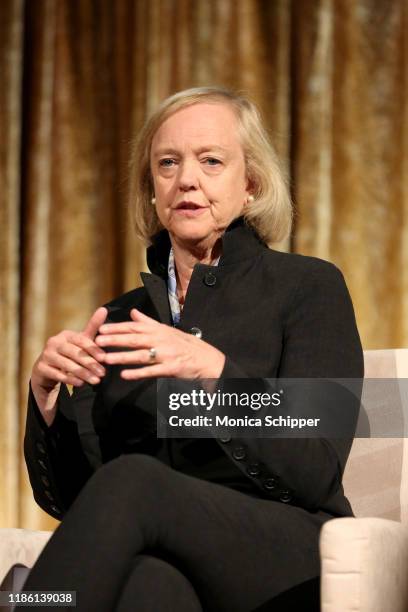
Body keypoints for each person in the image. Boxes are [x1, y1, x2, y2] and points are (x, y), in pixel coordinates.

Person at [20, 87, 363, 612]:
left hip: (288, 548)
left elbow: (317, 467)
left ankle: (35, 602)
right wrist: (49, 407)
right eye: (168, 163)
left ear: (250, 182)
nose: (186, 179)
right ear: (152, 190)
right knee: (149, 587)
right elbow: (80, 505)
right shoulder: (120, 319)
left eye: (211, 161)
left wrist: (216, 373)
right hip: (174, 556)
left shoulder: (308, 287)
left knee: (135, 484)